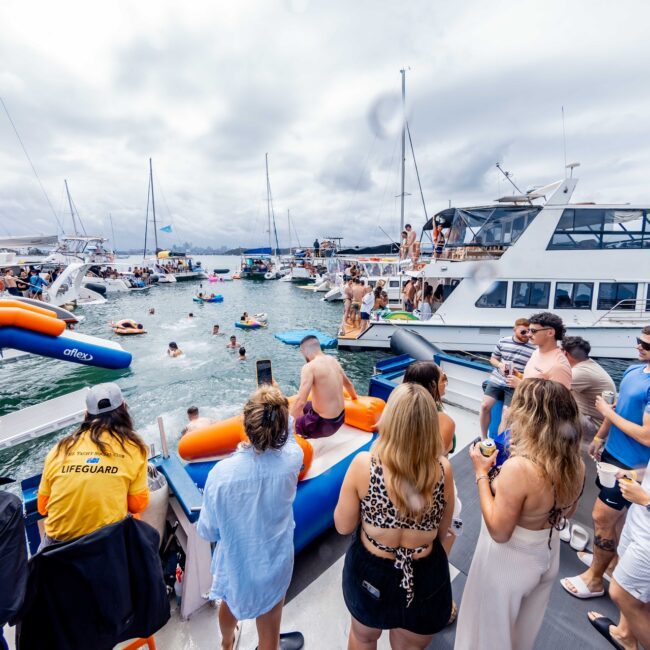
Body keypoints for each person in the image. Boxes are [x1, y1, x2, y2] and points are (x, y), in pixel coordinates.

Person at [456, 379, 585, 650]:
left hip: (508, 562)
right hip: (546, 554)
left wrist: (481, 473)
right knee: (519, 636)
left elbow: (499, 531)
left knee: (487, 637)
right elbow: (567, 511)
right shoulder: (576, 465)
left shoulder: (521, 468)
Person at [335, 383, 455, 649]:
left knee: (363, 637)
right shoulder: (442, 470)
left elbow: (343, 526)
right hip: (424, 575)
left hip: (372, 574)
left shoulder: (364, 466)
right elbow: (443, 531)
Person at [197, 386, 304, 650]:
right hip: (276, 561)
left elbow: (208, 531)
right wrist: (279, 410)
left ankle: (226, 642)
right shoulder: (292, 459)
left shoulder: (221, 474)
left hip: (237, 565)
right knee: (270, 633)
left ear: (246, 424)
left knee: (230, 605)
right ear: (282, 426)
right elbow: (289, 434)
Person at [562, 326, 650, 600]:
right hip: (612, 454)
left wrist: (602, 412)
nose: (639, 347)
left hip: (632, 465)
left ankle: (595, 580)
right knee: (618, 520)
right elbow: (619, 407)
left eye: (646, 345)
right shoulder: (635, 370)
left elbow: (647, 437)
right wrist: (601, 436)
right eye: (639, 341)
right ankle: (610, 565)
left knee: (601, 517)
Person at [37, 383, 149, 546]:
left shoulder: (60, 448)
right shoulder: (134, 448)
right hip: (106, 545)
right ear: (124, 408)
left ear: (86, 415)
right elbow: (138, 505)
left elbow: (43, 507)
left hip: (56, 550)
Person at [587, 460, 650, 650]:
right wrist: (633, 474)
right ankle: (625, 635)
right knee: (639, 594)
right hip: (639, 520)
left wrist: (646, 501)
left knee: (621, 593)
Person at [291, 335, 358, 439]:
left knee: (285, 424)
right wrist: (355, 399)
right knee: (304, 407)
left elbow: (300, 401)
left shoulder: (309, 367)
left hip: (323, 425)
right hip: (340, 419)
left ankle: (304, 433)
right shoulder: (333, 360)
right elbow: (348, 384)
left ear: (304, 351)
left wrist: (290, 424)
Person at [479, 318, 534, 438]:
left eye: (529, 331)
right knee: (484, 406)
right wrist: (500, 365)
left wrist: (520, 376)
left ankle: (499, 444)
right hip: (497, 379)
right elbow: (493, 359)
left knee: (507, 415)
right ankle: (484, 438)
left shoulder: (534, 348)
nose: (527, 335)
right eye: (523, 332)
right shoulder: (503, 341)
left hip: (514, 383)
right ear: (514, 330)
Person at [561, 336, 616, 441]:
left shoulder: (580, 372)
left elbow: (549, 390)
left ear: (565, 353)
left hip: (594, 424)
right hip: (598, 420)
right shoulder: (587, 364)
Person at [509, 312, 572, 389]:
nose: (528, 334)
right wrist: (519, 375)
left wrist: (521, 385)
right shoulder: (536, 352)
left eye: (533, 331)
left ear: (550, 333)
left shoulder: (558, 366)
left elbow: (558, 399)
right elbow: (536, 381)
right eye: (528, 330)